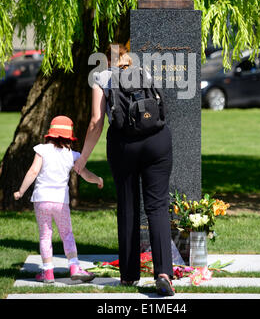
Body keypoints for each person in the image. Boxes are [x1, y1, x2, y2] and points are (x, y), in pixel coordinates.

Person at [74, 44, 175, 296]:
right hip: (158, 141)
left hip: (124, 145)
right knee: (157, 207)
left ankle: (130, 276)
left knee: (128, 207)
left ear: (106, 60)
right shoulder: (144, 73)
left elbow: (96, 122)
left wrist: (82, 160)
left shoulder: (101, 78)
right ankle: (163, 273)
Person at [14, 115, 103, 284]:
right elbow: (85, 175)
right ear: (70, 137)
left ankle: (48, 273)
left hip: (41, 201)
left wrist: (20, 191)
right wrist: (98, 179)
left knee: (45, 236)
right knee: (67, 234)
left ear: (51, 133)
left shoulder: (42, 149)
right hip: (61, 202)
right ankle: (74, 267)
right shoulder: (73, 155)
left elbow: (33, 172)